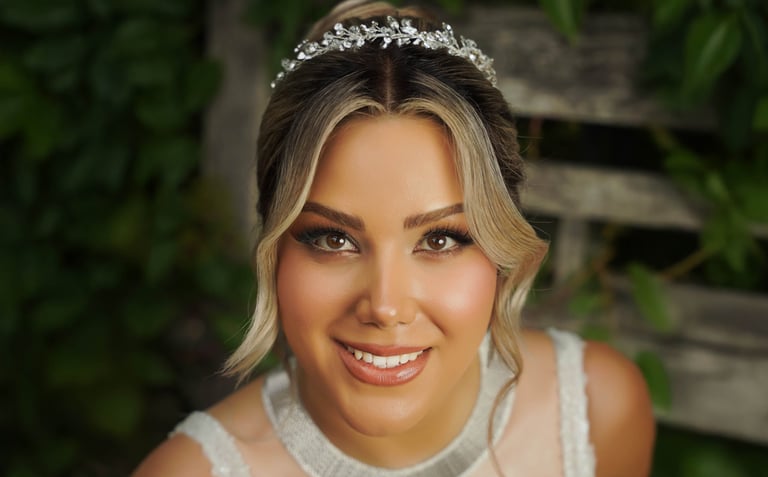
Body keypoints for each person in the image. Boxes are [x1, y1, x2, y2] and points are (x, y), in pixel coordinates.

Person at [133, 1, 655, 476]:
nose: (385, 306)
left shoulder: (596, 410)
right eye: (333, 239)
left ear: (500, 246)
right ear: (275, 245)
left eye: (441, 240)